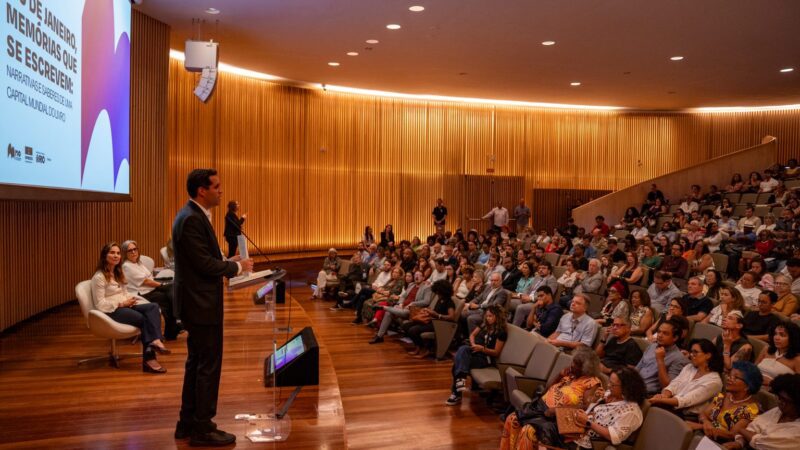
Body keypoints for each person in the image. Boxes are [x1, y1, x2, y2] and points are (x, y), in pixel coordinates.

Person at [172, 169, 254, 446]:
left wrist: (228, 261)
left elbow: (204, 258)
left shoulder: (192, 216)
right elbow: (204, 265)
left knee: (197, 363)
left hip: (197, 302)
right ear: (201, 190)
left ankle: (188, 421)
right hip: (200, 303)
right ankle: (203, 428)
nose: (221, 191)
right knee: (207, 365)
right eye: (216, 186)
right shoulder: (191, 219)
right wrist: (236, 266)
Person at [500, 346, 605, 450]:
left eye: (577, 364)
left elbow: (587, 407)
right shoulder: (571, 374)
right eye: (573, 361)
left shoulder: (592, 382)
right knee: (512, 418)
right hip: (540, 408)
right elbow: (546, 389)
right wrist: (559, 375)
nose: (572, 365)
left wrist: (556, 410)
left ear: (586, 368)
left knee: (529, 431)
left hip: (556, 418)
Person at [91, 242, 170, 373]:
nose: (116, 256)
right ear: (104, 256)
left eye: (117, 253)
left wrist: (130, 299)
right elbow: (100, 304)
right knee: (142, 319)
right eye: (112, 253)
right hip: (111, 310)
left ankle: (155, 340)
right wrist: (122, 304)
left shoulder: (118, 273)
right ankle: (149, 360)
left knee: (153, 307)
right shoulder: (98, 277)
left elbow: (124, 292)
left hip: (125, 305)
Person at [686, 361, 762, 446]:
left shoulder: (751, 409)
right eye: (730, 375)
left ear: (748, 386)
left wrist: (701, 426)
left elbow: (732, 435)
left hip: (721, 444)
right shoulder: (724, 395)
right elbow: (703, 414)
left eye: (735, 377)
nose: (729, 378)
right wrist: (706, 422)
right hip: (704, 435)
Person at [446, 305, 507, 405]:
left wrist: (482, 349)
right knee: (463, 349)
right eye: (487, 316)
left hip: (485, 358)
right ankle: (459, 385)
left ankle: (456, 393)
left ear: (497, 316)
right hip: (476, 351)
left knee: (458, 362)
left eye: (490, 316)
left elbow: (496, 352)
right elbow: (472, 335)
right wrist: (474, 344)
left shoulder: (501, 332)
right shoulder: (484, 325)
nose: (488, 318)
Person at [572, 367, 647, 449]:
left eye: (612, 384)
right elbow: (592, 411)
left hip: (591, 444)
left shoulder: (631, 412)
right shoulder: (611, 394)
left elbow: (614, 437)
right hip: (577, 431)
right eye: (609, 382)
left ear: (625, 388)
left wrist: (588, 422)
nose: (608, 385)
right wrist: (595, 399)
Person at [120, 240, 181, 340]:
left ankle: (174, 327)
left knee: (171, 290)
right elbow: (146, 281)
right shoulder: (127, 266)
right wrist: (161, 285)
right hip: (141, 293)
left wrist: (162, 285)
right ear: (125, 253)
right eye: (129, 250)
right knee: (168, 294)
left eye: (135, 249)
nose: (133, 252)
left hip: (149, 290)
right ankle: (175, 325)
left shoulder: (138, 263)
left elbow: (150, 277)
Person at [649, 338, 723, 416]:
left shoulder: (714, 382)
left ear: (708, 355)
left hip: (688, 416)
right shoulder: (689, 367)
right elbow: (674, 385)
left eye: (695, 352)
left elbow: (686, 401)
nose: (691, 355)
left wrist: (662, 400)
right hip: (671, 405)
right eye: (691, 352)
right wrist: (664, 395)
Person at [729, 373, 800, 450]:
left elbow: (762, 443)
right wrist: (739, 443)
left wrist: (741, 429)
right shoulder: (778, 411)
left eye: (785, 400)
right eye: (779, 398)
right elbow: (752, 428)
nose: (780, 402)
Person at [403, 280, 456, 359]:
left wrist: (437, 315)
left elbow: (452, 317)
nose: (437, 294)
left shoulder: (449, 302)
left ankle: (424, 349)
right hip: (432, 320)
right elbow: (435, 311)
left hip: (439, 324)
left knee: (413, 330)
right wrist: (428, 311)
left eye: (438, 292)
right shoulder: (439, 299)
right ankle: (418, 347)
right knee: (406, 326)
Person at [636, 317, 689, 395]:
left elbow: (667, 386)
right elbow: (637, 369)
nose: (660, 335)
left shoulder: (679, 358)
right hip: (633, 387)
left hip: (648, 394)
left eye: (665, 333)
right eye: (659, 332)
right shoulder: (652, 346)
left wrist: (660, 360)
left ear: (675, 338)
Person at [756, 321, 800, 386]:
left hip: (772, 393)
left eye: (782, 335)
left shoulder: (797, 360)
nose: (776, 338)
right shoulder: (766, 349)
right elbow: (753, 368)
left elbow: (797, 388)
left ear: (792, 338)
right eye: (775, 334)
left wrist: (773, 383)